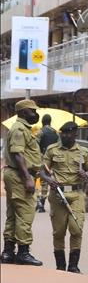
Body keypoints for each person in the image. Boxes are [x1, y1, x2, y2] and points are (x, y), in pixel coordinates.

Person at [40, 122, 88, 272]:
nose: (64, 136)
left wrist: (86, 174)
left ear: (74, 135)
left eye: (67, 134)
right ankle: (61, 266)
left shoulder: (83, 151)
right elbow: (42, 171)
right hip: (58, 194)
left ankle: (73, 266)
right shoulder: (52, 150)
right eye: (62, 133)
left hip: (76, 194)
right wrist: (49, 180)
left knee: (76, 229)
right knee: (59, 231)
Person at [1, 99, 43, 266]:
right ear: (24, 112)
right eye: (32, 111)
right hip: (19, 176)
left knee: (13, 214)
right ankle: (23, 253)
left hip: (15, 174)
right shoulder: (19, 129)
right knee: (25, 213)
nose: (35, 114)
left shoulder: (22, 128)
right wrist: (27, 178)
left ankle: (8, 252)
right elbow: (18, 154)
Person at [35, 114, 58, 213]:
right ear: (50, 121)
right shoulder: (55, 132)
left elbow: (35, 146)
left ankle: (37, 201)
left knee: (34, 179)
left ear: (42, 122)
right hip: (51, 160)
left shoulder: (40, 132)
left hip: (40, 159)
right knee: (45, 181)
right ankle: (42, 203)